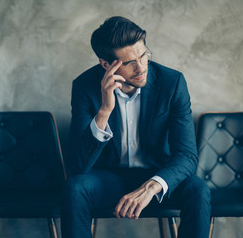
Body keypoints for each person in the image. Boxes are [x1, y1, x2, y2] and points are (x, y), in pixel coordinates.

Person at [61, 16, 211, 238]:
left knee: (198, 190)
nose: (141, 68)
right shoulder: (85, 86)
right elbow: (78, 166)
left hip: (157, 174)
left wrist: (152, 186)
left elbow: (187, 155)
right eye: (130, 62)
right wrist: (104, 110)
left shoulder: (172, 82)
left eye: (143, 55)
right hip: (109, 178)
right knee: (74, 188)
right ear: (106, 64)